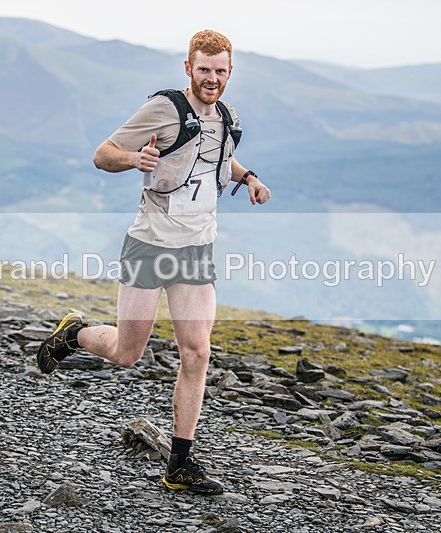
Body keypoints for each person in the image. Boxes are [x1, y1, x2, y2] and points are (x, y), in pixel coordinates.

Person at [36, 29, 271, 495]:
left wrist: (250, 178)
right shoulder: (165, 108)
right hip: (150, 246)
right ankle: (75, 333)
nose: (212, 78)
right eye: (204, 69)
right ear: (188, 68)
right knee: (128, 353)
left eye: (221, 70)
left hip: (197, 251)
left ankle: (179, 464)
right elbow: (103, 155)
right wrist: (134, 159)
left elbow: (219, 161)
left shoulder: (227, 116)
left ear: (230, 72)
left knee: (197, 352)